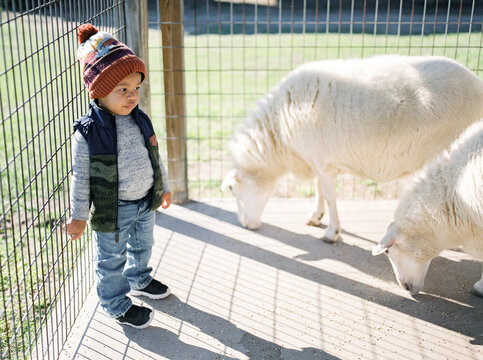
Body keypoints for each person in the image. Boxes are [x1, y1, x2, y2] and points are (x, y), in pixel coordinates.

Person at [64, 23, 172, 329]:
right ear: (99, 91)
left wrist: (163, 187)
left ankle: (139, 278)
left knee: (143, 245)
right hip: (115, 210)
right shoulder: (89, 134)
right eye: (122, 89)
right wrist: (78, 216)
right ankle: (116, 303)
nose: (132, 96)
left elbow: (154, 155)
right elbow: (81, 178)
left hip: (144, 203)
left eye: (136, 88)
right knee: (111, 260)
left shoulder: (140, 119)